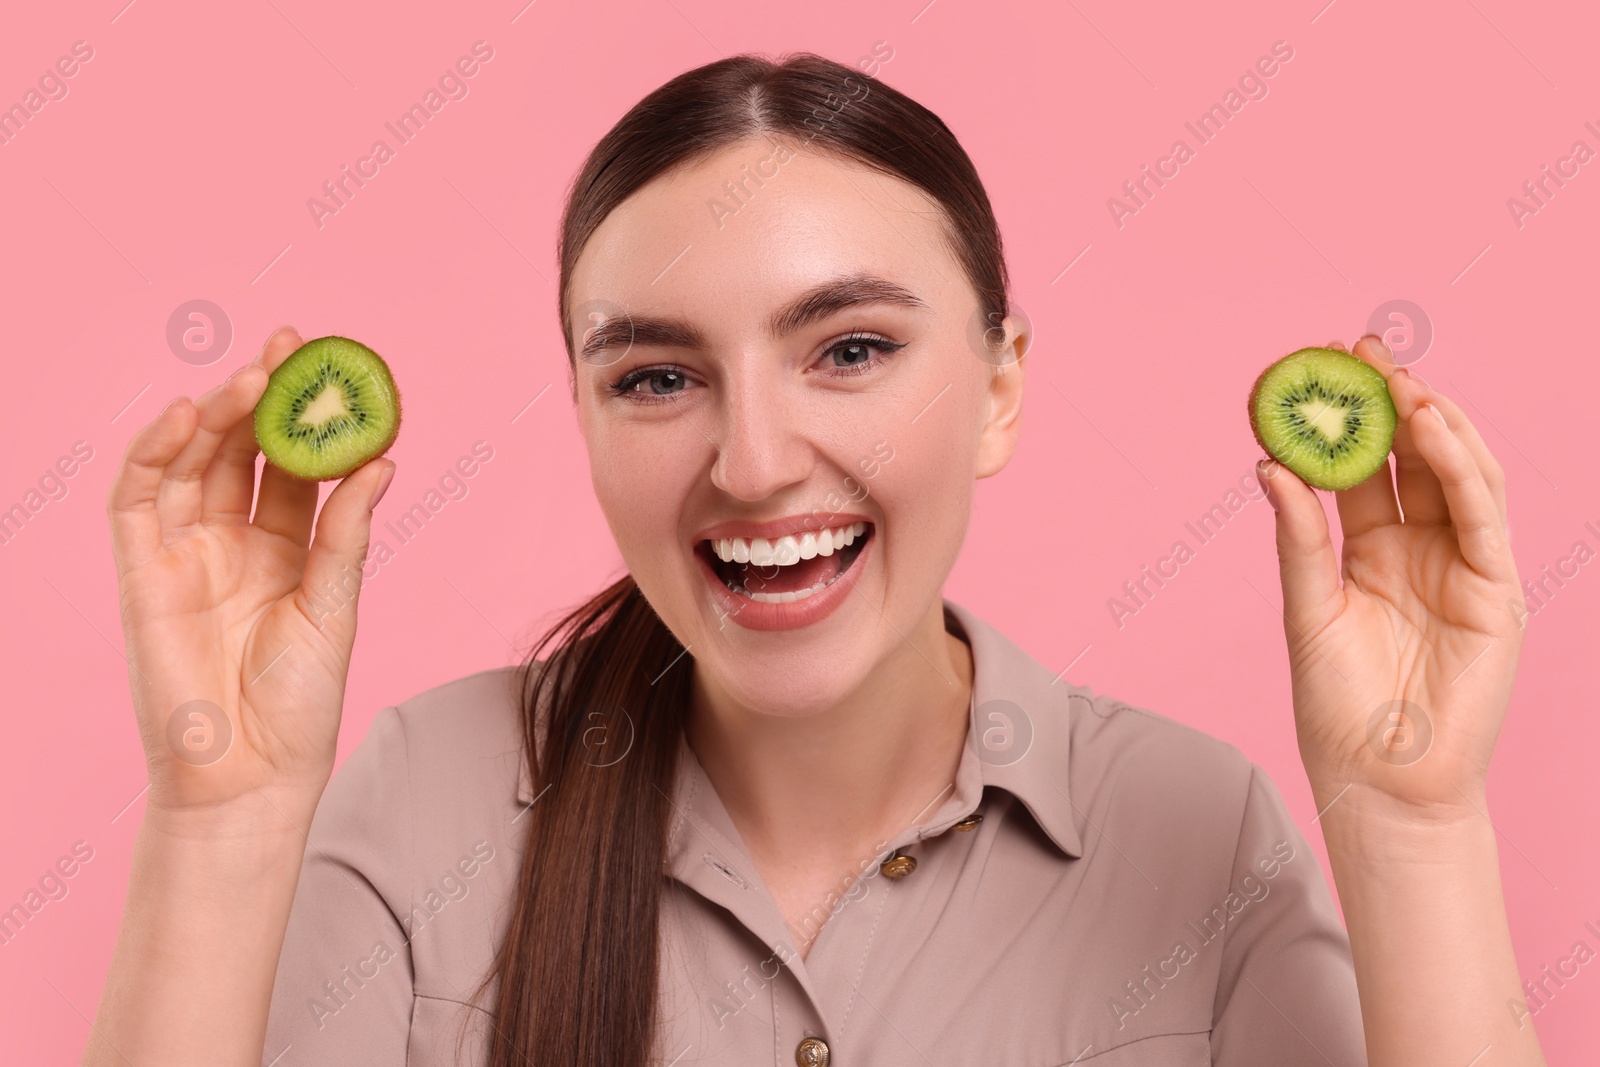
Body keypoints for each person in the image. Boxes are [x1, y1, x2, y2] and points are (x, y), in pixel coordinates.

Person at [84, 52, 1545, 1067]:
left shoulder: (1193, 826)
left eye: (850, 350)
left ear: (1000, 386)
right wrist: (218, 812)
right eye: (658, 377)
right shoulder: (423, 809)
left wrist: (1416, 827)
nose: (757, 460)